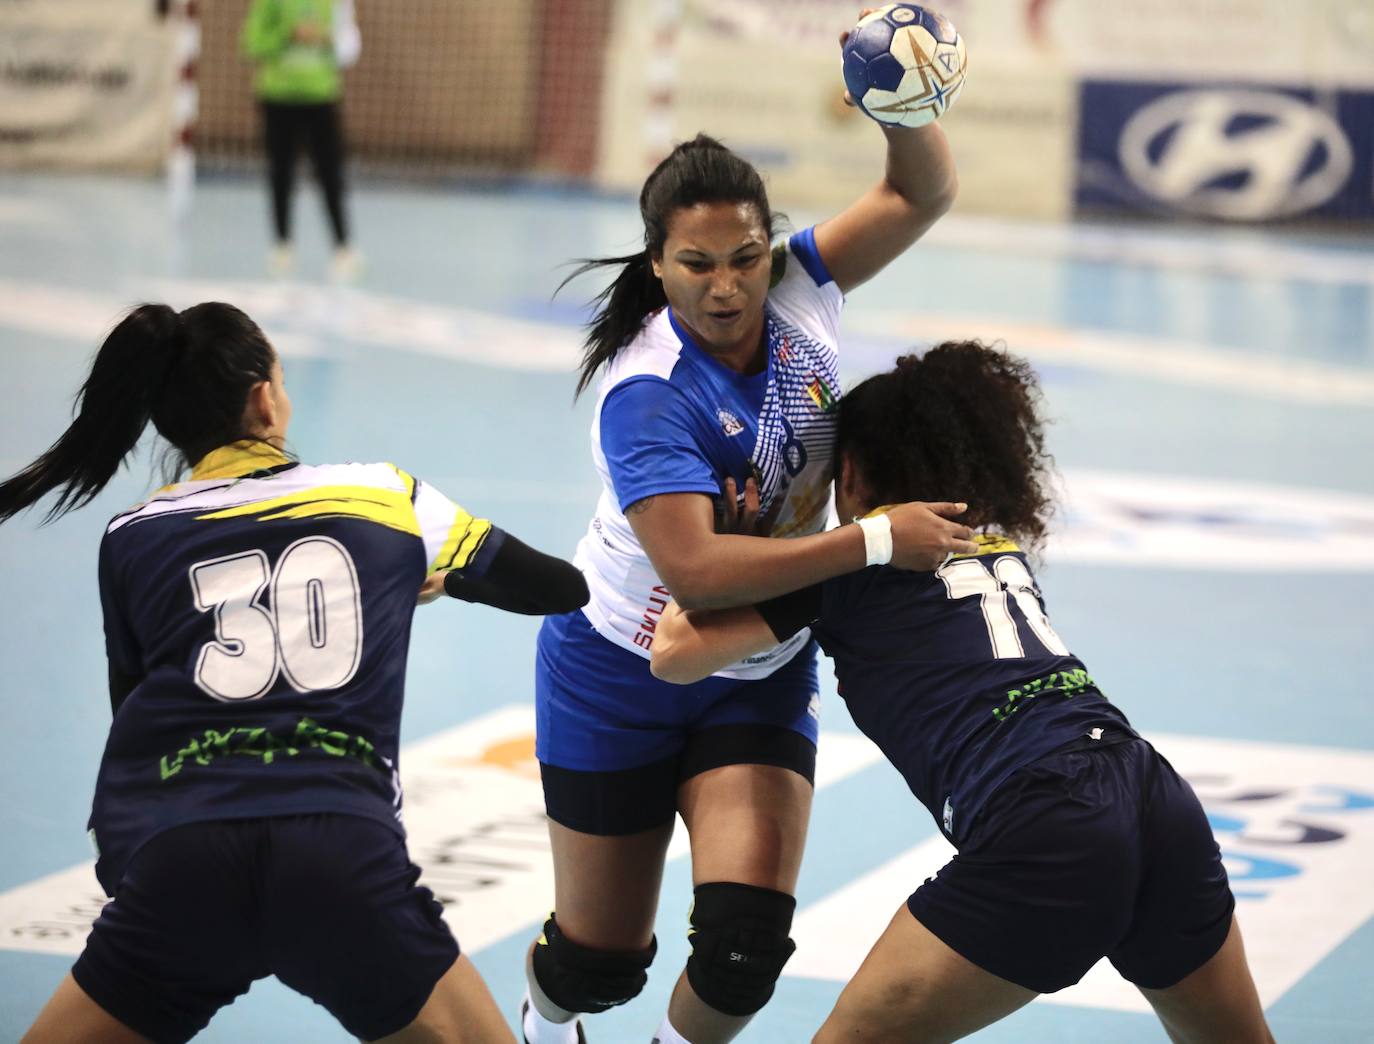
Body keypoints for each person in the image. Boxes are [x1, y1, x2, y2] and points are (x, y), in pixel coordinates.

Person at [521, 25, 971, 1044]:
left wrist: (908, 115)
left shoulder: (804, 288)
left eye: (745, 257)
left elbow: (919, 197)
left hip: (757, 666)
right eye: (696, 265)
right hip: (616, 670)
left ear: (771, 243)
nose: (725, 286)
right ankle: (546, 1027)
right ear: (658, 263)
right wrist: (869, 544)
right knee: (601, 962)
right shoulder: (647, 394)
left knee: (742, 951)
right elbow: (696, 569)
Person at [650, 341, 1276, 1044]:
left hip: (1046, 821)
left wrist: (736, 556)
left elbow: (674, 656)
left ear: (849, 473)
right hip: (1156, 799)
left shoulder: (845, 569)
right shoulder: (996, 544)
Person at [1, 301, 589, 1043]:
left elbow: (137, 713)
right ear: (263, 399)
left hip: (181, 863)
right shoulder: (384, 496)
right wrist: (427, 576)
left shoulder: (133, 535)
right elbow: (557, 590)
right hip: (339, 857)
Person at [241, 0, 361, 280]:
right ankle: (282, 245)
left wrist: (326, 38)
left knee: (331, 173)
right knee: (281, 172)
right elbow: (252, 43)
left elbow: (349, 48)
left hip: (321, 97)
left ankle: (343, 246)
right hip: (278, 97)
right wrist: (288, 35)